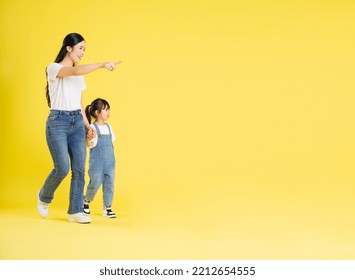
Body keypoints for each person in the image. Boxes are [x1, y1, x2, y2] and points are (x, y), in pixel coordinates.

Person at [37, 33, 121, 223]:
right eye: (81, 48)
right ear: (69, 48)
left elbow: (80, 104)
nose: (83, 52)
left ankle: (75, 211)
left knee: (79, 169)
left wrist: (87, 126)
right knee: (62, 168)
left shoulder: (79, 76)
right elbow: (74, 72)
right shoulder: (53, 68)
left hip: (76, 121)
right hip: (58, 121)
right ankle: (44, 196)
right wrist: (101, 64)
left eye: (85, 49)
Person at [83, 98, 117, 218]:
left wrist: (111, 160)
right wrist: (88, 137)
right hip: (97, 163)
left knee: (110, 184)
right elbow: (88, 144)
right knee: (95, 183)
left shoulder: (109, 127)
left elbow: (111, 143)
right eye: (105, 110)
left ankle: (107, 207)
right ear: (97, 112)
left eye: (109, 110)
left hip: (110, 162)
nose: (108, 112)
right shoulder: (92, 127)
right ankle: (86, 202)